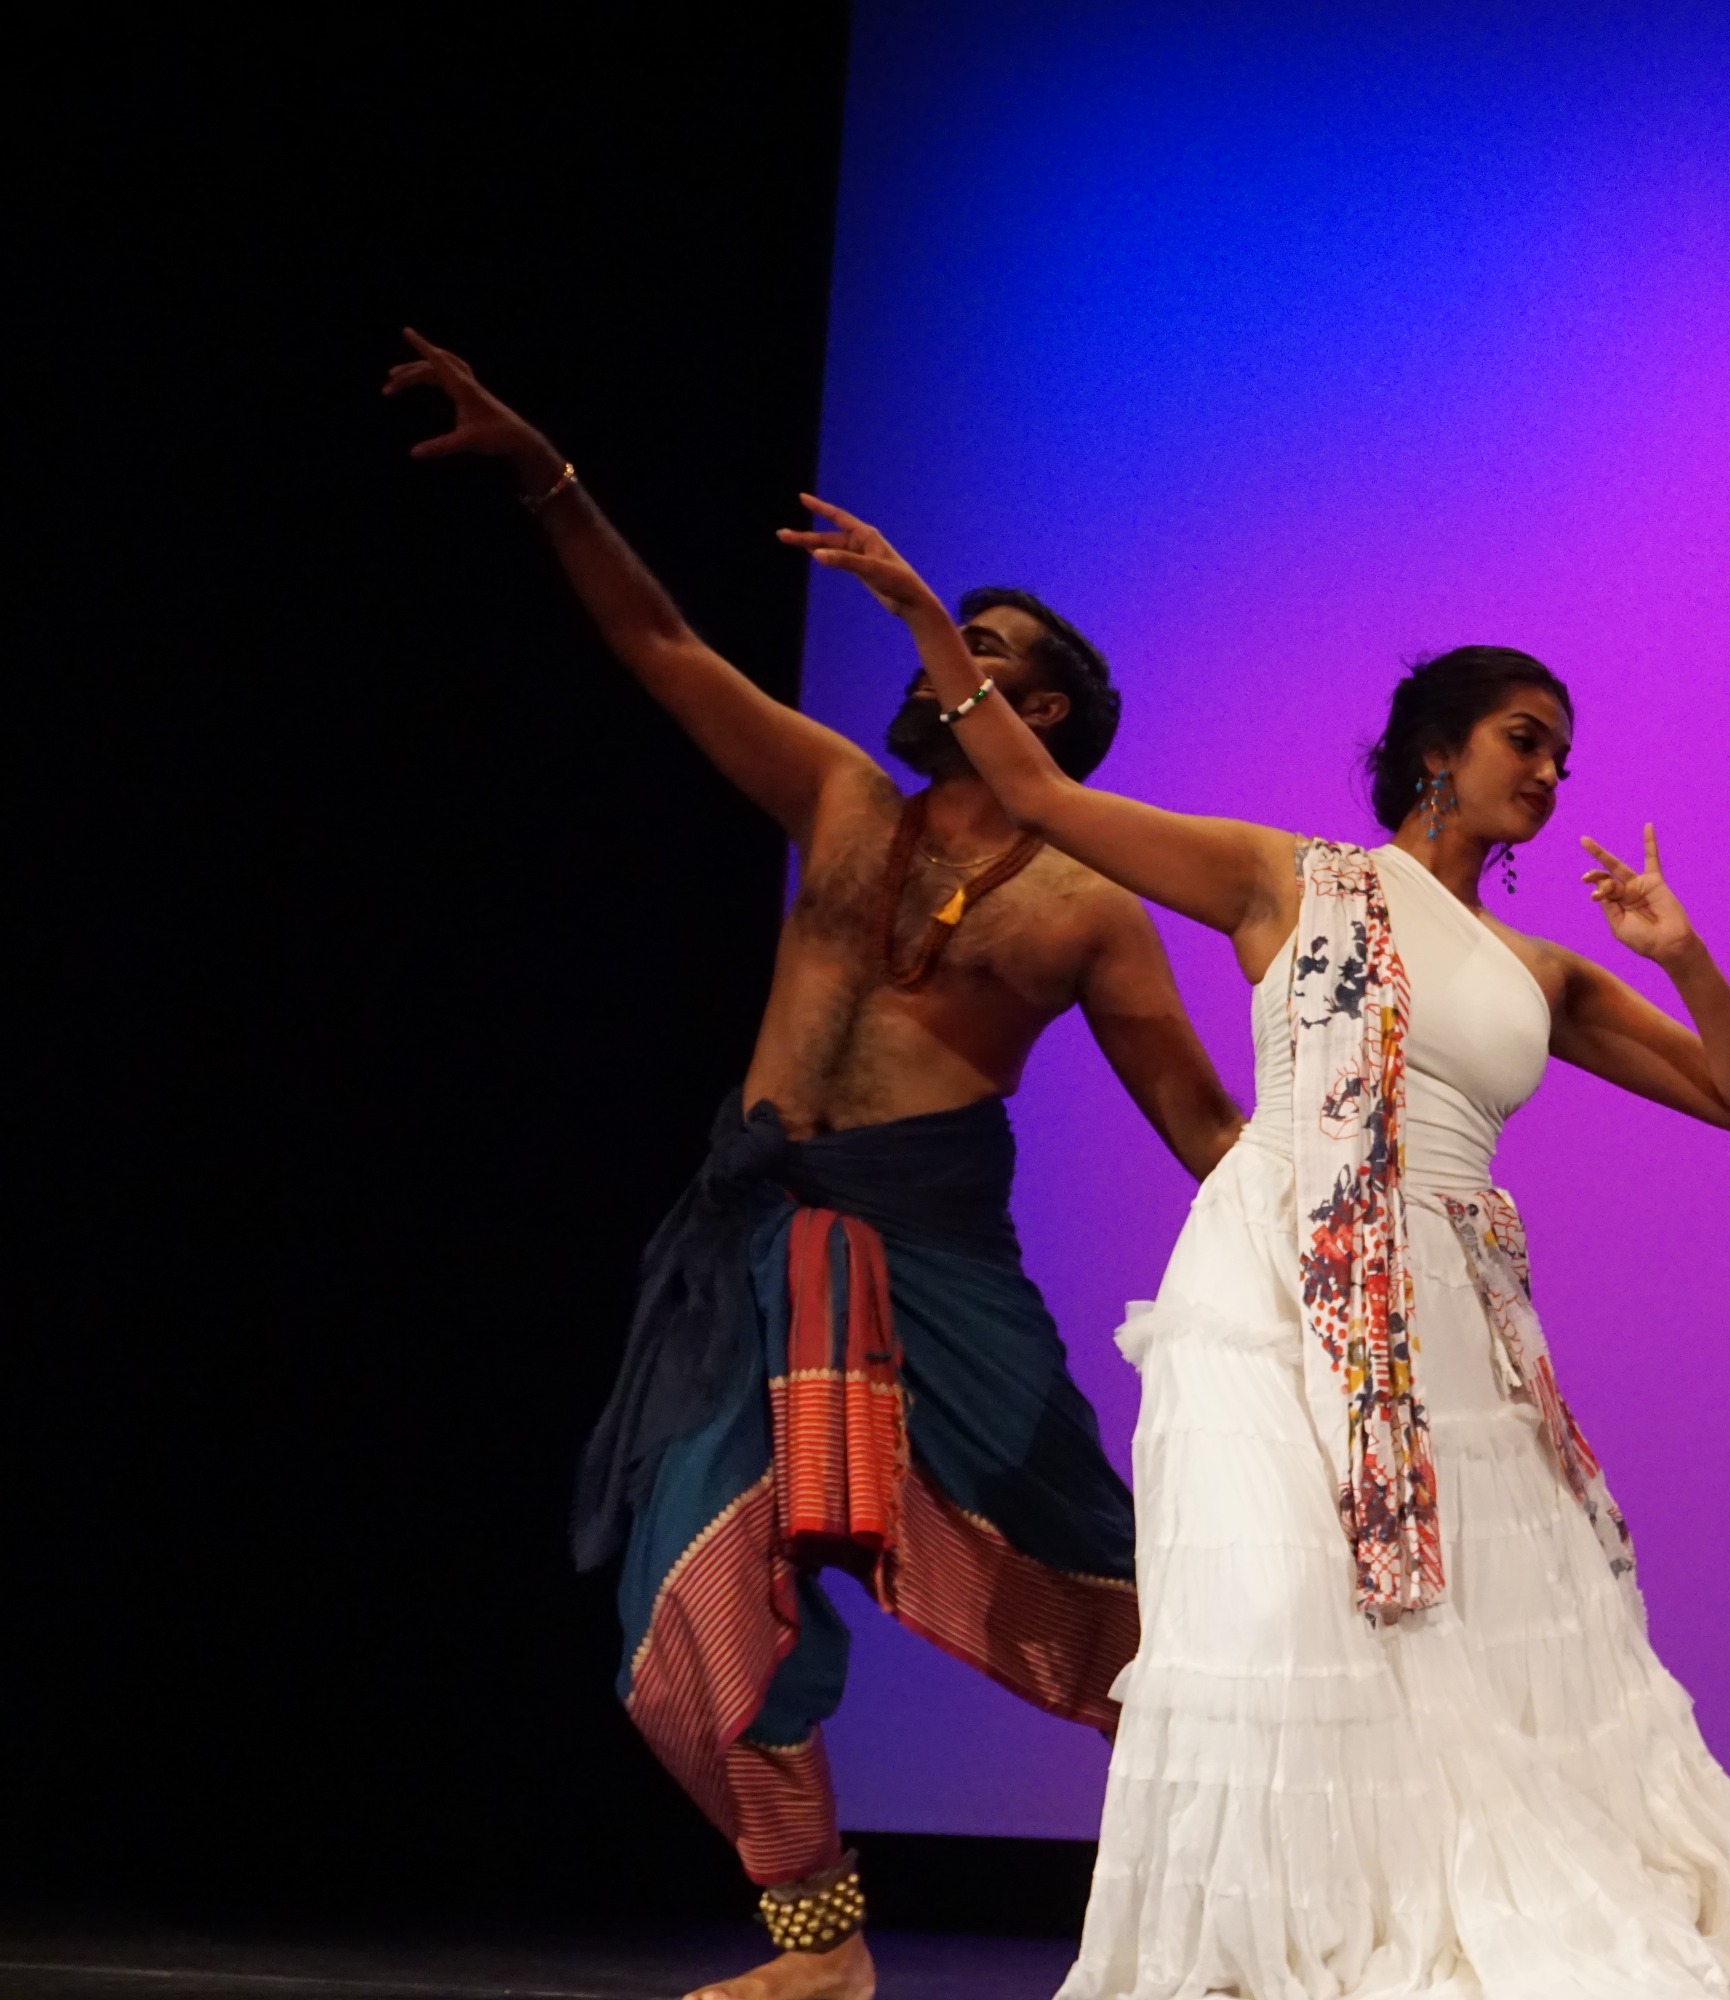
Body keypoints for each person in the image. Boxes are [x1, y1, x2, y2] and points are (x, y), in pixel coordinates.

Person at [789, 495, 1730, 1999]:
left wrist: (1679, 954)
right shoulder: (1288, 878)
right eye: (1525, 737)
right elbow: (1039, 788)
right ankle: (1252, 1964)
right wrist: (921, 617)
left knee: (1463, 1655)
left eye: (1561, 752)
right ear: (1435, 752)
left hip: (1455, 1320)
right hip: (1276, 1286)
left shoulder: (1542, 965)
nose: (1548, 769)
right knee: (1268, 1611)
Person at [386, 336, 1244, 2000]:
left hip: (932, 1261)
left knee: (1099, 1583)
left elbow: (1206, 1131)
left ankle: (1295, 1853)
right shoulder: (844, 801)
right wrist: (545, 470)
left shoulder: (1090, 909)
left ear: (1041, 707)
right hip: (751, 1242)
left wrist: (1370, 1232)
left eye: (980, 649)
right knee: (699, 1584)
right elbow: (658, 641)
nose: (938, 662)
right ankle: (819, 1949)